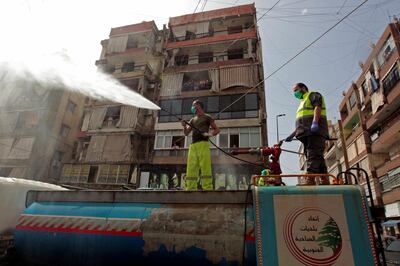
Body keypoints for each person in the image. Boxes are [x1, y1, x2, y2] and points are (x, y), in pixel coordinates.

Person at [285, 83, 330, 185]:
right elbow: (301, 122)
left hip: (315, 132)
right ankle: (324, 179)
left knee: (312, 154)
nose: (295, 93)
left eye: (296, 90)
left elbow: (317, 108)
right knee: (317, 156)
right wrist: (292, 135)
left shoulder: (313, 95)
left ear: (303, 88)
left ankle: (310, 179)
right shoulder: (302, 102)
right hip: (305, 133)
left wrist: (315, 122)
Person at [182, 100, 220, 190]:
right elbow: (186, 133)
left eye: (193, 105)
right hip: (193, 145)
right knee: (191, 166)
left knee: (205, 166)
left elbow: (217, 130)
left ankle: (207, 188)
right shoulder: (192, 120)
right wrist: (184, 126)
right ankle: (190, 188)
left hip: (203, 144)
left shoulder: (207, 117)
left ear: (198, 106)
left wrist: (209, 134)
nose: (192, 107)